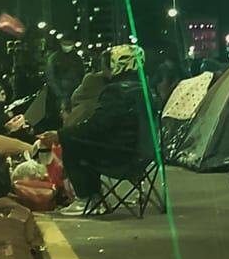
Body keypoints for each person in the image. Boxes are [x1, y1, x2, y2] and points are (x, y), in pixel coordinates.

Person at [39, 45, 151, 205]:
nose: (102, 70)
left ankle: (88, 199)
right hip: (144, 155)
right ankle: (95, 198)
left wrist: (61, 135)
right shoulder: (144, 89)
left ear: (116, 65)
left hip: (121, 157)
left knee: (73, 145)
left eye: (106, 65)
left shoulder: (116, 92)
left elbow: (96, 128)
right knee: (81, 141)